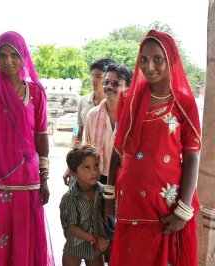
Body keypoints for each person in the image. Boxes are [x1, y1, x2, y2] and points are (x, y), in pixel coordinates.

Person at [105, 30, 201, 265]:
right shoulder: (128, 100)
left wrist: (183, 210)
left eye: (157, 58)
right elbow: (118, 151)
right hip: (130, 202)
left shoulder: (184, 102)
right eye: (144, 59)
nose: (150, 66)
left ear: (172, 60)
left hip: (165, 208)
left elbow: (192, 156)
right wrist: (109, 193)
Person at [0, 31, 54, 265]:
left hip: (26, 178)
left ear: (24, 56)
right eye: (3, 55)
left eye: (14, 55)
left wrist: (44, 177)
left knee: (24, 239)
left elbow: (41, 136)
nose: (8, 61)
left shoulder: (36, 92)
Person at [63, 58, 115, 186]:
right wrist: (71, 164)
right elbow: (78, 132)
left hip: (110, 166)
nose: (93, 80)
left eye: (98, 76)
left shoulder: (115, 105)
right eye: (92, 76)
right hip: (87, 164)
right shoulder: (84, 101)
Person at [60, 144, 110, 266]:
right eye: (86, 168)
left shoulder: (103, 192)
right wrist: (96, 240)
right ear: (73, 173)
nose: (94, 172)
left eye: (96, 166)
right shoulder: (69, 198)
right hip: (74, 247)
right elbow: (70, 227)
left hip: (95, 250)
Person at [83, 63, 132, 184]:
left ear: (128, 88)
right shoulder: (92, 115)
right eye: (106, 82)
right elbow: (87, 148)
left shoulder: (133, 117)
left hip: (126, 177)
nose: (109, 86)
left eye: (116, 83)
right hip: (98, 177)